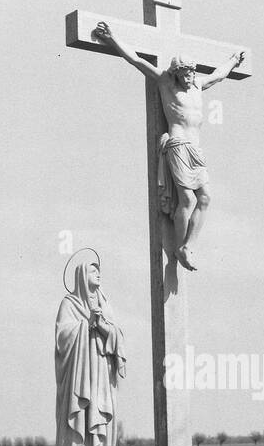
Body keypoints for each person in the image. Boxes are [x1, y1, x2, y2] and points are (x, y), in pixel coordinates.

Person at [93, 20, 244, 272]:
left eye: (192, 73)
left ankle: (187, 246)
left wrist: (232, 61)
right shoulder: (166, 83)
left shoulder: (197, 86)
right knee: (185, 198)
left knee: (205, 197)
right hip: (178, 145)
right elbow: (137, 61)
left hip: (196, 150)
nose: (190, 77)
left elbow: (218, 76)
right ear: (176, 73)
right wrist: (112, 38)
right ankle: (178, 247)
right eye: (185, 74)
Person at [52, 258, 125, 446]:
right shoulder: (69, 303)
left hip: (101, 371)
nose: (98, 274)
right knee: (82, 416)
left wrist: (101, 324)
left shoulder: (105, 302)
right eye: (93, 271)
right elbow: (62, 337)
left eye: (99, 270)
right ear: (83, 275)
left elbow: (117, 336)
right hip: (80, 374)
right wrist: (86, 325)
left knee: (99, 417)